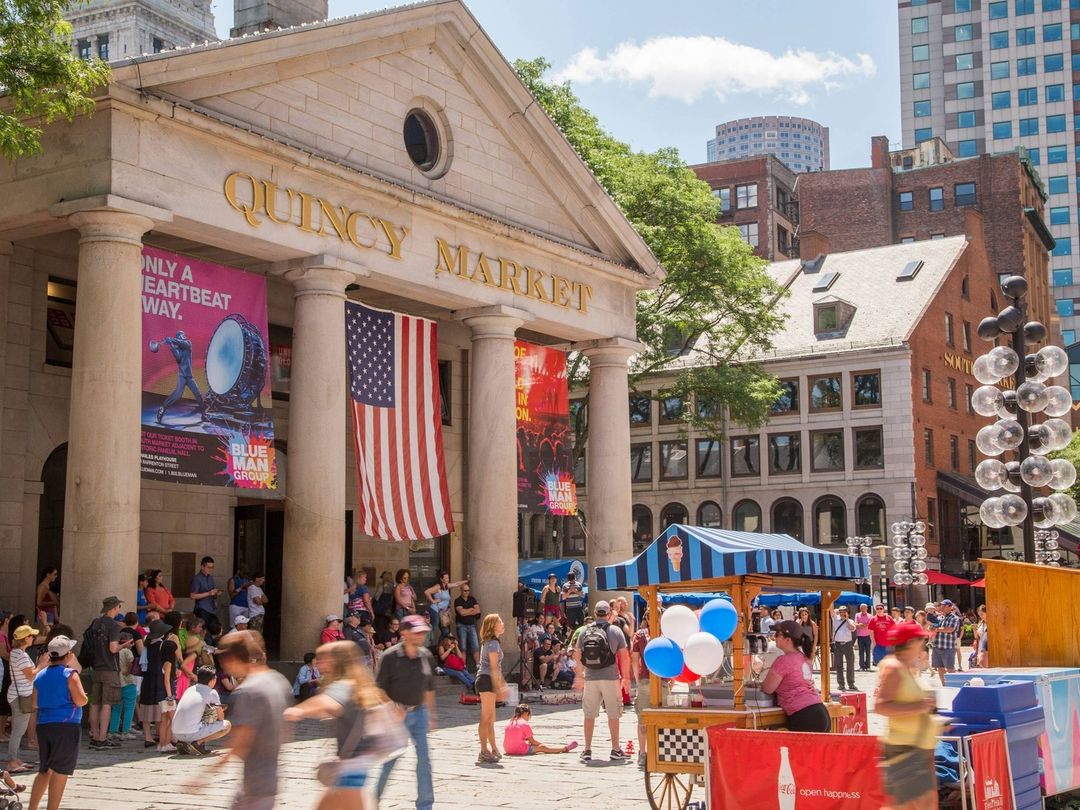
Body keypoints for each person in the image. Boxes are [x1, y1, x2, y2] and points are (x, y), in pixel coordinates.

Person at [284, 641, 399, 810]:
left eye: (323, 659)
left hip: (350, 769)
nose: (319, 663)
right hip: (356, 765)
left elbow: (328, 703)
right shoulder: (358, 683)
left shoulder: (341, 685)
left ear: (337, 662)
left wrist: (298, 711)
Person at [210, 630, 291, 810]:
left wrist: (208, 772)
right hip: (270, 776)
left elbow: (242, 741)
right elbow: (285, 731)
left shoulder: (247, 690)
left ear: (230, 659)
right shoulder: (277, 681)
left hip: (254, 781)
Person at [875, 622, 941, 810]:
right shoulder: (894, 668)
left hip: (915, 748)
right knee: (923, 805)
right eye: (922, 639)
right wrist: (920, 707)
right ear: (911, 642)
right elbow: (881, 706)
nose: (924, 643)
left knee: (907, 806)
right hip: (905, 748)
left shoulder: (907, 668)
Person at [374, 614, 435, 810]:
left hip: (419, 713)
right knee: (390, 761)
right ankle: (373, 801)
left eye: (423, 632)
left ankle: (425, 805)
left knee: (424, 761)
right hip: (396, 717)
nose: (421, 636)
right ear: (404, 633)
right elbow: (378, 689)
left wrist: (431, 715)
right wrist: (392, 707)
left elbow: (428, 688)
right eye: (417, 632)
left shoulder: (425, 655)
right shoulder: (390, 657)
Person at [28, 636, 87, 810]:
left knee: (45, 770)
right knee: (61, 771)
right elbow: (81, 700)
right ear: (68, 655)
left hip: (44, 726)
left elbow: (35, 703)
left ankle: (32, 807)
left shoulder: (40, 675)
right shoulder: (70, 674)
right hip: (66, 726)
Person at [572, 600, 630, 763]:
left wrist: (579, 675)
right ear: (609, 614)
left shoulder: (584, 631)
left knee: (589, 714)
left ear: (595, 613)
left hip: (591, 677)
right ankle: (615, 749)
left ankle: (587, 749)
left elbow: (577, 654)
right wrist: (626, 677)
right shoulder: (615, 631)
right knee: (613, 714)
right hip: (611, 677)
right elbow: (624, 656)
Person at [761, 621, 830, 732]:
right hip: (818, 709)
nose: (774, 637)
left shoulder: (783, 660)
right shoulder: (804, 657)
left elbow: (768, 688)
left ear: (788, 640)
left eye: (777, 634)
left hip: (804, 715)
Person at [88, 596, 131, 750]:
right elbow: (113, 648)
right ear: (113, 608)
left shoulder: (96, 623)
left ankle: (94, 734)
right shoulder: (113, 626)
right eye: (119, 606)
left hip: (96, 667)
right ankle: (102, 738)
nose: (119, 609)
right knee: (107, 704)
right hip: (109, 668)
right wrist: (124, 645)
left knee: (95, 703)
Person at [6, 625, 41, 775]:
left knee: (18, 730)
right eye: (31, 636)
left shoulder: (16, 653)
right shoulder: (20, 655)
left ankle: (16, 759)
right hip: (21, 696)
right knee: (18, 731)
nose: (33, 638)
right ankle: (12, 761)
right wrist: (42, 665)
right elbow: (30, 675)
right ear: (25, 638)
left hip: (18, 694)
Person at [173, 666, 230, 756]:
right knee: (227, 725)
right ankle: (198, 743)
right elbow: (221, 717)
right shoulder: (212, 692)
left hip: (176, 733)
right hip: (190, 733)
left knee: (201, 713)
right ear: (212, 680)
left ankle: (184, 743)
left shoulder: (189, 689)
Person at [475, 613, 507, 764]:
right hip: (487, 679)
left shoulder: (491, 642)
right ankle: (483, 750)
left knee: (490, 719)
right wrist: (499, 686)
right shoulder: (493, 644)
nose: (502, 623)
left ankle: (493, 748)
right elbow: (494, 667)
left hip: (487, 679)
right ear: (493, 625)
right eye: (500, 621)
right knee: (486, 718)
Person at [502, 704, 577, 756]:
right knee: (542, 748)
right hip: (519, 750)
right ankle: (564, 749)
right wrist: (541, 744)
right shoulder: (524, 723)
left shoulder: (510, 721)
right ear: (527, 713)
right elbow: (533, 741)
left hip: (507, 749)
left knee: (532, 745)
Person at [630, 612, 651, 768]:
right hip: (658, 679)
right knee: (652, 719)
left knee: (643, 718)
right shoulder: (665, 633)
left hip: (644, 678)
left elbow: (634, 659)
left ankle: (643, 753)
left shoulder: (640, 635)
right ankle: (648, 752)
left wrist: (637, 680)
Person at [424, 571, 468, 643]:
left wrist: (466, 581)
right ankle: (426, 645)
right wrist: (433, 601)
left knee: (446, 632)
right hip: (435, 610)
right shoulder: (438, 586)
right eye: (446, 578)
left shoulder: (446, 586)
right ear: (441, 579)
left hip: (442, 613)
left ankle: (439, 647)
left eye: (448, 577)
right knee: (433, 629)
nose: (448, 579)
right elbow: (426, 592)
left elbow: (457, 584)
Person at [931, 599, 961, 686]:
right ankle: (944, 685)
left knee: (950, 668)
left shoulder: (954, 618)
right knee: (940, 668)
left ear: (949, 607)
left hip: (948, 647)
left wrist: (936, 629)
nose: (942, 607)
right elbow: (935, 629)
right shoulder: (939, 618)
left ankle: (954, 686)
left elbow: (950, 629)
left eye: (944, 606)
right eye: (941, 606)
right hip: (937, 646)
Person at [453, 583, 481, 670]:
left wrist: (467, 611)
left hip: (471, 625)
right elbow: (461, 613)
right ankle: (463, 666)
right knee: (463, 647)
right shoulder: (458, 600)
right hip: (461, 625)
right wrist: (471, 610)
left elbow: (478, 611)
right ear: (461, 590)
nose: (467, 592)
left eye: (468, 590)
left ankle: (478, 665)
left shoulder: (472, 599)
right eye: (465, 590)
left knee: (475, 646)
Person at [189, 557, 221, 632]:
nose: (210, 569)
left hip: (211, 608)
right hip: (202, 608)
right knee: (202, 629)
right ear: (202, 567)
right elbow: (192, 596)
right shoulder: (197, 578)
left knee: (215, 628)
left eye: (212, 567)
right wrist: (209, 593)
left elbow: (212, 594)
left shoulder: (211, 578)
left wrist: (216, 594)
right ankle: (200, 643)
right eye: (208, 567)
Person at [831, 605, 857, 692]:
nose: (842, 613)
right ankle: (841, 684)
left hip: (848, 644)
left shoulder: (850, 621)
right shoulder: (835, 619)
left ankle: (851, 683)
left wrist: (846, 620)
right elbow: (831, 610)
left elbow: (852, 628)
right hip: (838, 644)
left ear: (847, 612)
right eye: (840, 611)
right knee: (839, 665)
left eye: (844, 611)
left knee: (850, 664)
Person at [855, 604, 873, 671]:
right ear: (860, 608)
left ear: (867, 608)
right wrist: (861, 625)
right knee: (861, 652)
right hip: (860, 636)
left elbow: (871, 624)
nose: (863, 609)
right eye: (862, 608)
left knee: (868, 652)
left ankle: (868, 666)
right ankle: (861, 666)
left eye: (864, 608)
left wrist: (862, 625)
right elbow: (855, 623)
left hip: (868, 636)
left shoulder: (870, 616)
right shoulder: (857, 615)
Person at [974, 604, 988, 668]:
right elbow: (976, 637)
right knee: (981, 664)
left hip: (988, 647)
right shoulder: (980, 623)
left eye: (982, 614)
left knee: (984, 663)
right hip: (981, 645)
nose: (980, 616)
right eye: (979, 614)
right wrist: (974, 629)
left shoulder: (992, 623)